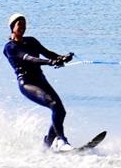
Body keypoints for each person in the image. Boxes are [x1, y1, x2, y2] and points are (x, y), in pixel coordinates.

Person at [4, 13, 75, 148]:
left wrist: (62, 58)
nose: (23, 27)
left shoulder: (31, 41)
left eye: (24, 25)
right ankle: (61, 141)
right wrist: (49, 62)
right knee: (54, 104)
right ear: (12, 27)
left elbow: (48, 53)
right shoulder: (10, 48)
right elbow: (29, 58)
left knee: (60, 110)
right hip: (27, 83)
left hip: (40, 79)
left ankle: (47, 144)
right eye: (20, 24)